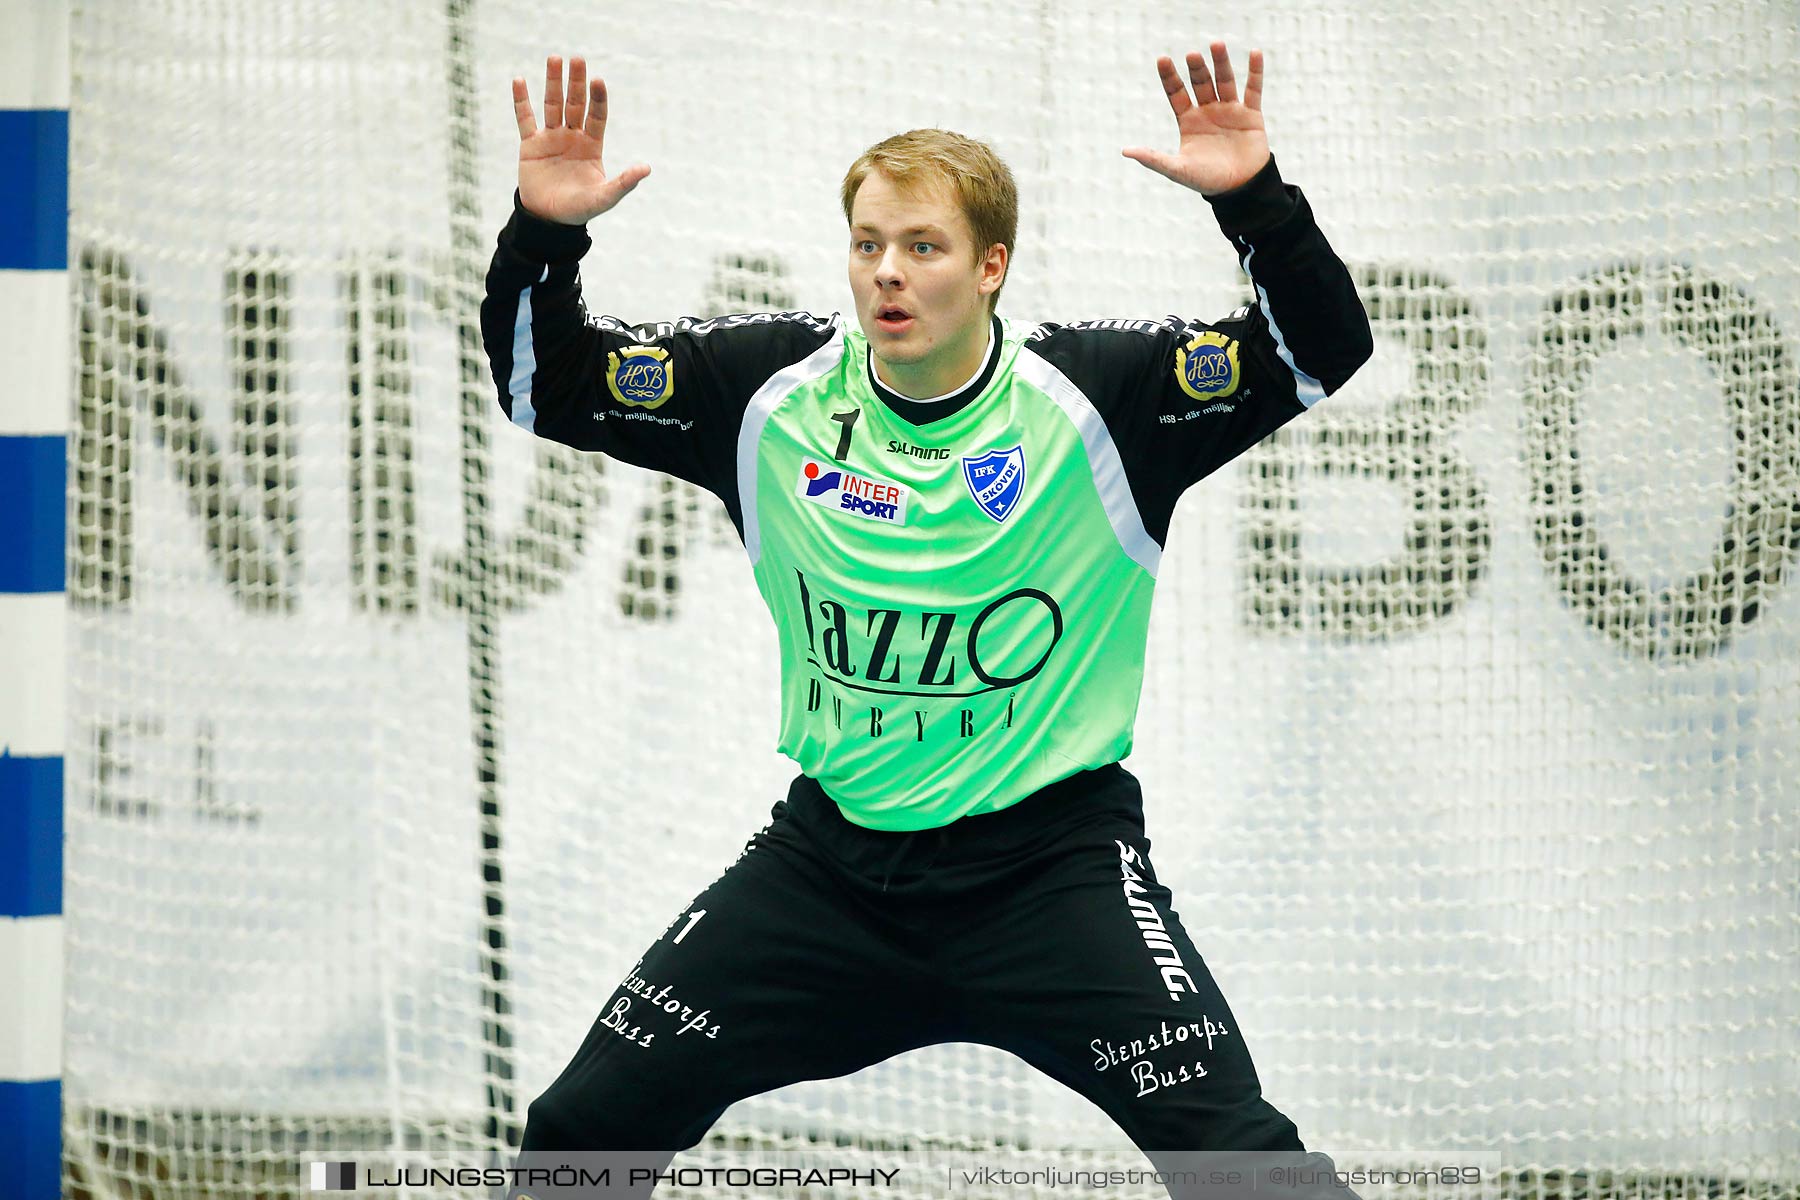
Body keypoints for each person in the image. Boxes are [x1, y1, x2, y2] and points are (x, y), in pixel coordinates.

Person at [481, 43, 1372, 1200]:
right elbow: (536, 385)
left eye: (922, 247)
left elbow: (1323, 351)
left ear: (991, 265)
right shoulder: (767, 392)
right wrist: (545, 237)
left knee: (1242, 1167)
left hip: (1052, 875)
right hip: (831, 876)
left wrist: (1255, 202)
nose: (887, 275)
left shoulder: (1102, 399)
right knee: (580, 1131)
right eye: (867, 245)